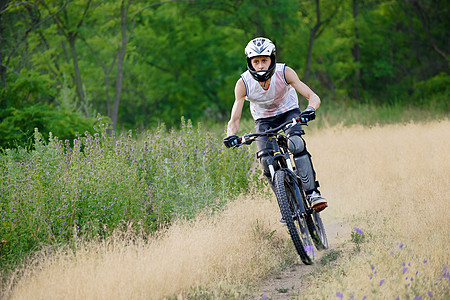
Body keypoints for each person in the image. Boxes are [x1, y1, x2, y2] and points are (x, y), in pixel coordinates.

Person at [223, 37, 327, 213]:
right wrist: (230, 135)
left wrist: (310, 109)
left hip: (289, 111)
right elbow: (234, 119)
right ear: (250, 62)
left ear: (272, 58)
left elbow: (312, 96)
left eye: (264, 60)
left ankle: (313, 194)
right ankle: (287, 207)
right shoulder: (243, 83)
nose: (261, 65)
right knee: (265, 160)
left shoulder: (284, 72)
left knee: (296, 143)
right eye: (256, 61)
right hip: (263, 120)